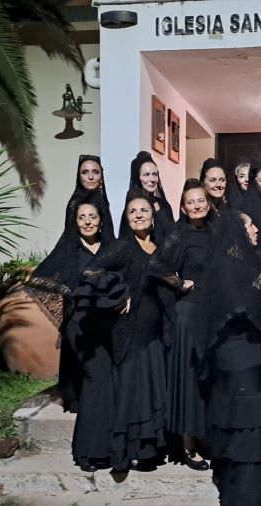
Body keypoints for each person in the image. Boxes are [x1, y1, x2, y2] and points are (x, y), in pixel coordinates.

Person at [74, 190, 169, 473]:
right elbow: (90, 271)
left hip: (155, 333)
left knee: (148, 392)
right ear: (126, 219)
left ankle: (147, 450)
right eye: (133, 212)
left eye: (144, 211)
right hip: (130, 331)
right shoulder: (123, 247)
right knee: (129, 392)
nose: (139, 215)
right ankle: (123, 453)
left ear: (153, 218)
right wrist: (119, 293)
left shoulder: (160, 247)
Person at [204, 210, 261, 505]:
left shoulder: (242, 262)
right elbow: (240, 305)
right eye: (250, 224)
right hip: (237, 359)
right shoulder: (224, 266)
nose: (256, 229)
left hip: (249, 355)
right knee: (244, 427)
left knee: (254, 427)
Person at [27, 155, 115, 414]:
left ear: (101, 175)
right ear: (79, 176)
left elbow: (108, 236)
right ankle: (75, 396)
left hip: (100, 292)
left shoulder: (104, 203)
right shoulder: (75, 202)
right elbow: (68, 241)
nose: (90, 176)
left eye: (95, 172)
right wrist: (67, 286)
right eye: (85, 172)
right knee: (77, 344)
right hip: (76, 282)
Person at [147, 179, 214, 470]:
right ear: (183, 208)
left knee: (209, 380)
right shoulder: (179, 233)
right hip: (188, 315)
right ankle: (188, 447)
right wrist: (179, 282)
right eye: (190, 202)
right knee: (188, 382)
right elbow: (155, 265)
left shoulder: (217, 232)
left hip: (214, 314)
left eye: (201, 200)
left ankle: (209, 438)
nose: (197, 205)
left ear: (208, 204)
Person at [60, 196, 116, 472]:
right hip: (80, 326)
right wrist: (70, 296)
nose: (87, 222)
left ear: (101, 220)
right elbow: (39, 279)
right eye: (82, 217)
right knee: (96, 380)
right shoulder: (70, 250)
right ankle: (86, 452)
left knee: (103, 383)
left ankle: (100, 448)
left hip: (105, 324)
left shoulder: (109, 248)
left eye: (91, 216)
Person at [124, 151, 175, 240]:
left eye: (154, 174)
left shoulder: (164, 205)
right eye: (146, 175)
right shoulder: (132, 207)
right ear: (138, 178)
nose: (152, 179)